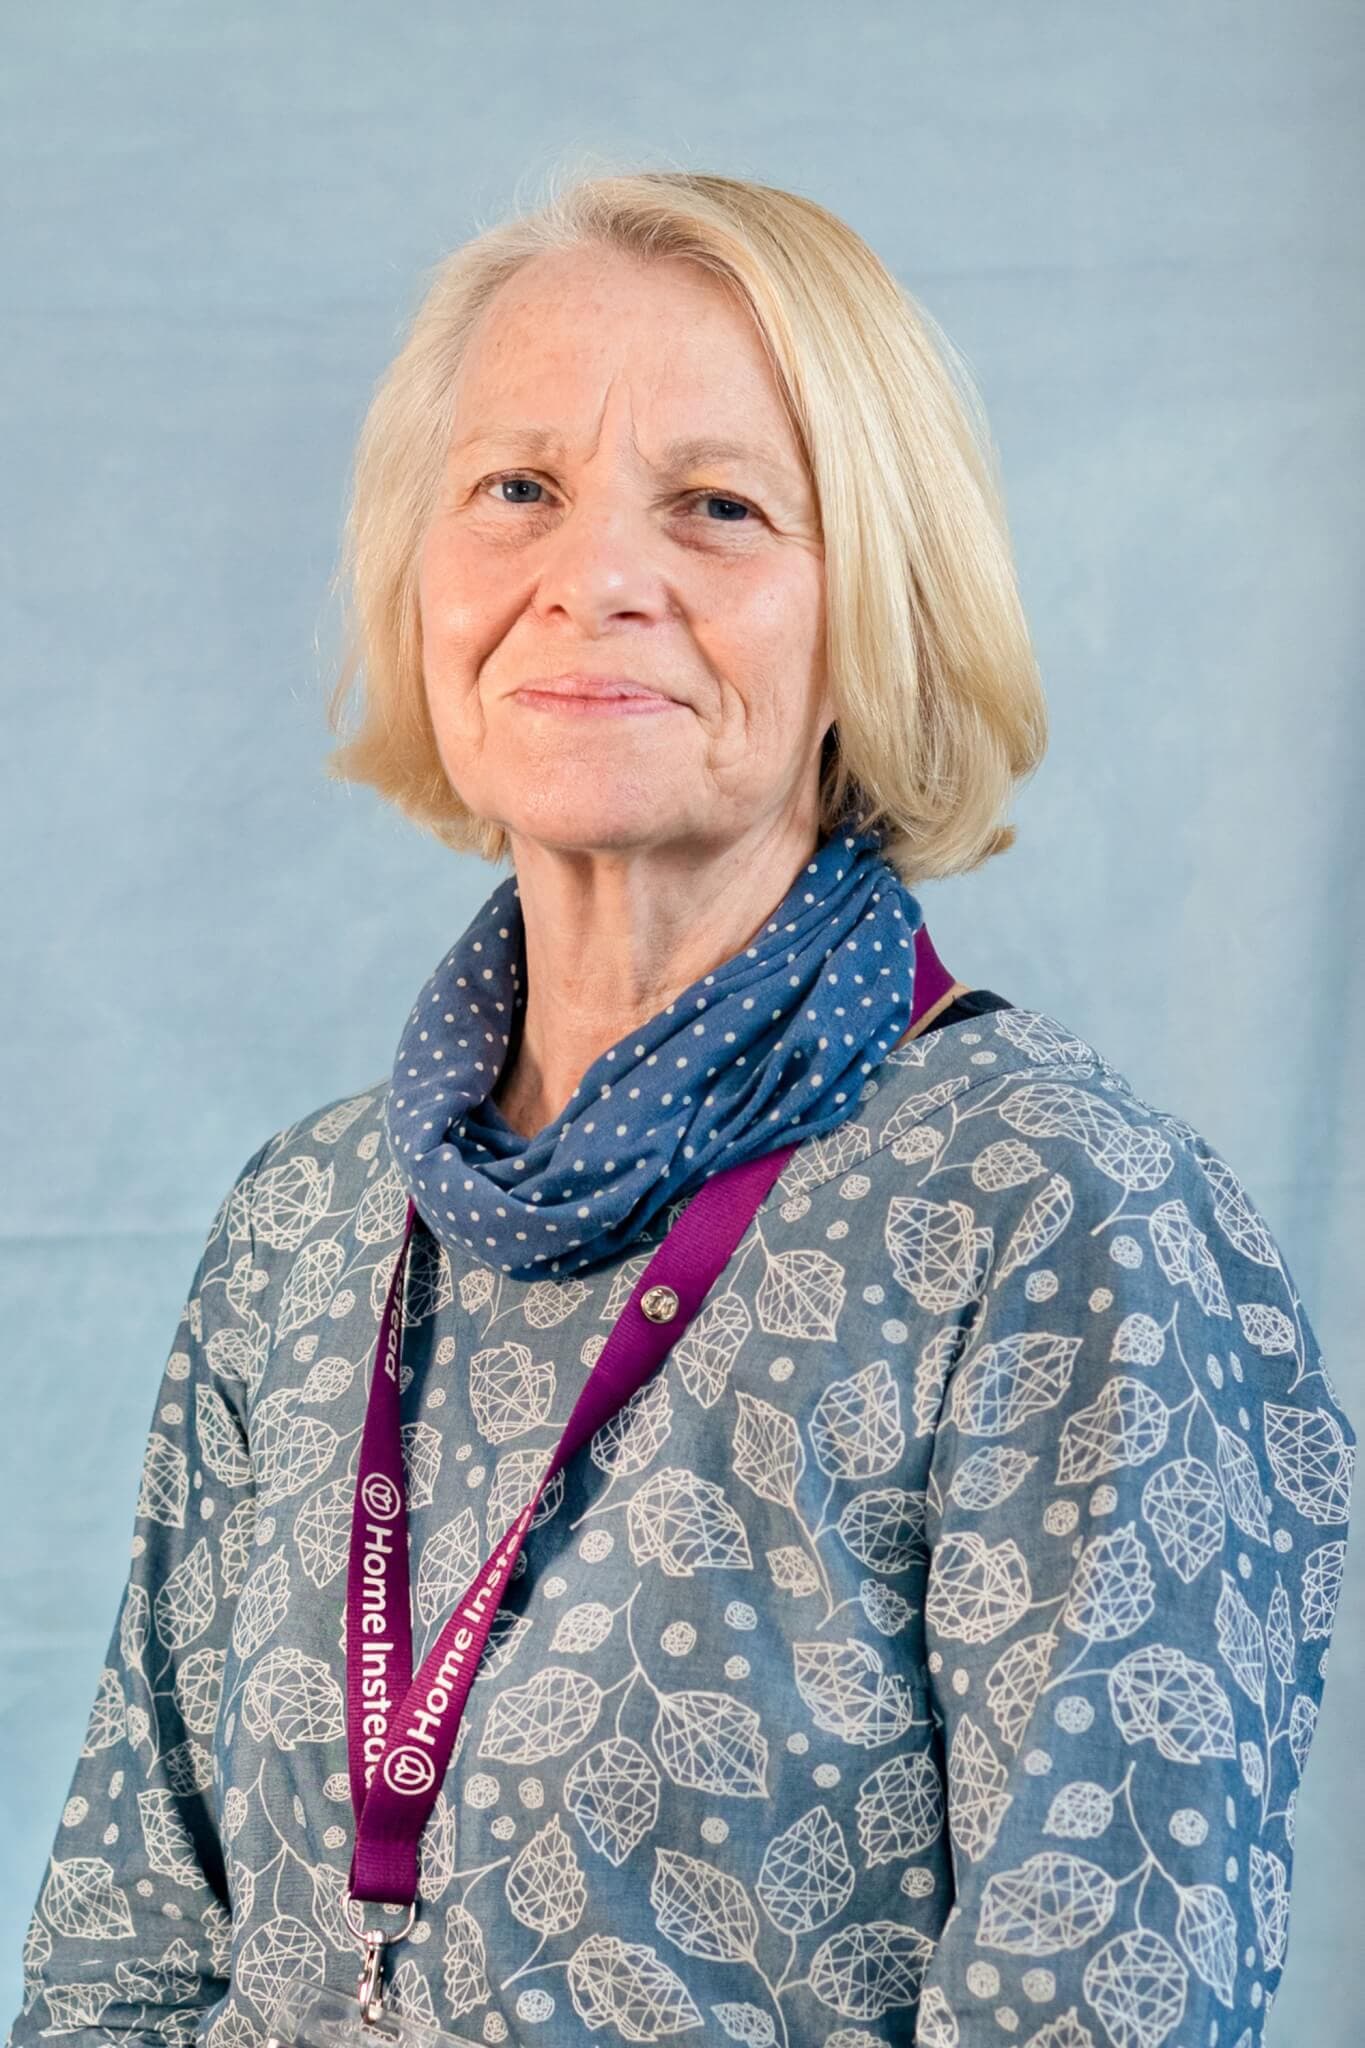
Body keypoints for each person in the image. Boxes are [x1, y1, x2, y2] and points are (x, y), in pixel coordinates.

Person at [8, 168, 1355, 2048]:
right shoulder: (305, 1223)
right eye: (517, 489)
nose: (595, 578)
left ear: (874, 606)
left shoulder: (1058, 1217)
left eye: (717, 506)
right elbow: (119, 1964)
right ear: (421, 577)